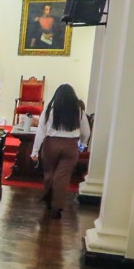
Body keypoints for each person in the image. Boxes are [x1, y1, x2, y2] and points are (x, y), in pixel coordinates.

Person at [32, 84, 90, 219]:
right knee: (62, 177)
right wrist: (83, 144)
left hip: (51, 144)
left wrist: (35, 150)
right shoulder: (78, 110)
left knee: (49, 173)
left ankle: (48, 200)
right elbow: (86, 132)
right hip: (70, 146)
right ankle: (57, 207)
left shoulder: (49, 109)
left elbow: (41, 130)